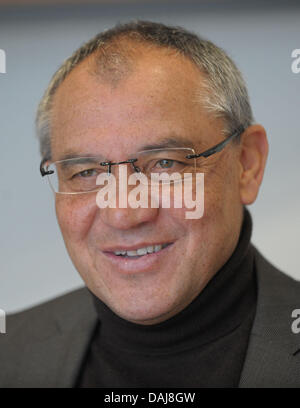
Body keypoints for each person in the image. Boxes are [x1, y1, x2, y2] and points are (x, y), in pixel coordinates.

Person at [1, 21, 299, 388]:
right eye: (87, 172)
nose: (124, 213)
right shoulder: (9, 351)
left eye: (165, 163)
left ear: (247, 165)